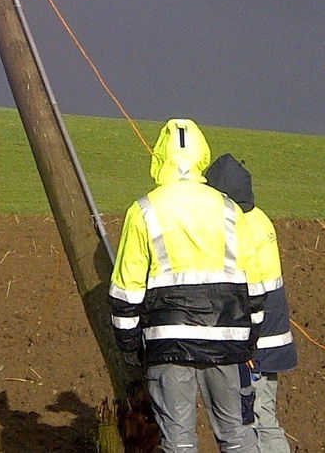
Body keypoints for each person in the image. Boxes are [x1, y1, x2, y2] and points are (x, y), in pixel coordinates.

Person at [110, 119, 263, 453]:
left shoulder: (144, 210)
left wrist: (129, 346)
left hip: (168, 342)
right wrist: (250, 339)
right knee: (236, 436)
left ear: (161, 155)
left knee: (177, 441)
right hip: (226, 339)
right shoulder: (229, 208)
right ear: (202, 156)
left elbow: (126, 288)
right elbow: (254, 284)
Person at [205, 153, 297, 453]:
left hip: (255, 344)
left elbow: (248, 294)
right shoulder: (259, 218)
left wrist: (247, 347)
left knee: (257, 421)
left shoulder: (238, 227)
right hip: (271, 339)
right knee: (264, 417)